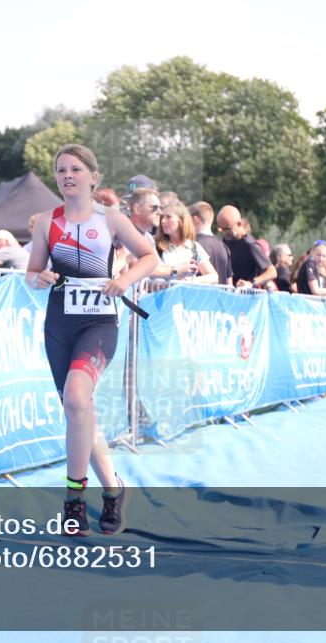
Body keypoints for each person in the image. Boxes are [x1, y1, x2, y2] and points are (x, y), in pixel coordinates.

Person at [26, 144, 157, 536]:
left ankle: (74, 500)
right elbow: (31, 272)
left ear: (93, 177)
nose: (68, 176)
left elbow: (149, 257)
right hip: (59, 324)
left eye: (76, 170)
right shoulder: (46, 223)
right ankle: (114, 489)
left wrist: (124, 280)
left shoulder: (112, 219)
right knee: (79, 411)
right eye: (61, 170)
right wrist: (40, 277)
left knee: (77, 398)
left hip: (98, 323)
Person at [151, 203, 218, 284]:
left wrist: (192, 280)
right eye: (162, 217)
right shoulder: (156, 245)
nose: (163, 221)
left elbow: (214, 277)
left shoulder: (194, 247)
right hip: (161, 295)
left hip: (186, 295)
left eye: (168, 217)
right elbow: (149, 271)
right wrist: (177, 270)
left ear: (181, 220)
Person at [216, 204, 277, 289]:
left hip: (245, 297)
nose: (223, 232)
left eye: (227, 229)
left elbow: (272, 272)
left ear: (239, 224)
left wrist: (251, 283)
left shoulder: (250, 245)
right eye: (221, 229)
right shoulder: (225, 242)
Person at [189, 201, 232, 285]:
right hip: (221, 297)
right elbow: (229, 283)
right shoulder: (224, 246)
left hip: (200, 296)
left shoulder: (193, 245)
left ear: (194, 219)